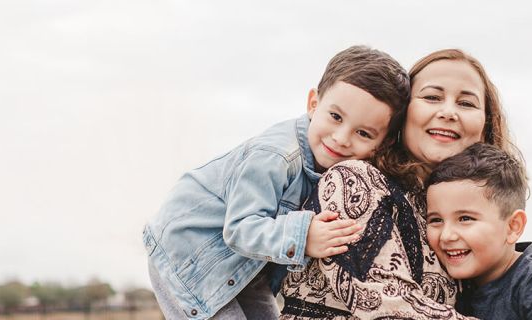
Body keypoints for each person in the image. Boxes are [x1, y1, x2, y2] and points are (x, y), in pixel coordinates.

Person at [143, 45, 409, 319]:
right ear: (313, 104)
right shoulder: (275, 157)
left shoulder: (348, 172)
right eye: (335, 117)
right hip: (190, 251)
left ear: (383, 143)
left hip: (245, 264)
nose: (341, 138)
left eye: (363, 133)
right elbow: (240, 228)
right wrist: (304, 237)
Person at [279, 48, 514, 319]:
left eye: (466, 103)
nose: (449, 112)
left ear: (485, 124)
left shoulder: (477, 215)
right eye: (432, 97)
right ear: (401, 115)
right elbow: (390, 307)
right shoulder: (352, 181)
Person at [424, 143, 532, 319]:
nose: (446, 235)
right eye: (436, 220)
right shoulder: (460, 285)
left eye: (465, 219)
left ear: (513, 227)